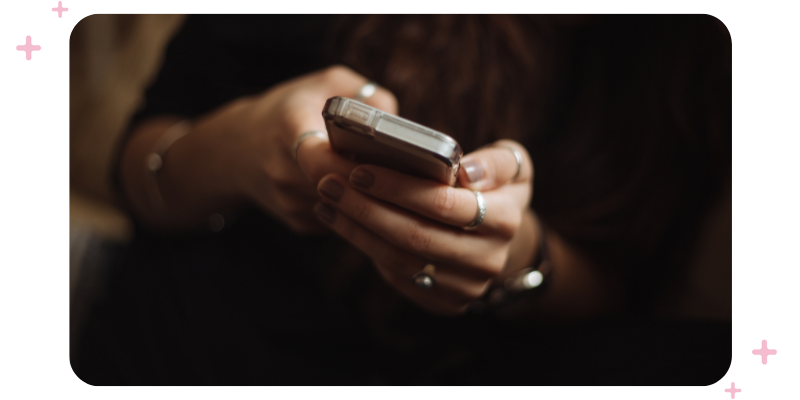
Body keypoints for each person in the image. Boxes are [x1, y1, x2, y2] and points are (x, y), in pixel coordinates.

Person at [73, 15, 731, 385]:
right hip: (188, 348)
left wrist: (517, 255)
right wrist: (244, 145)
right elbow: (137, 172)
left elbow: (627, 297)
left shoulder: (690, 46)